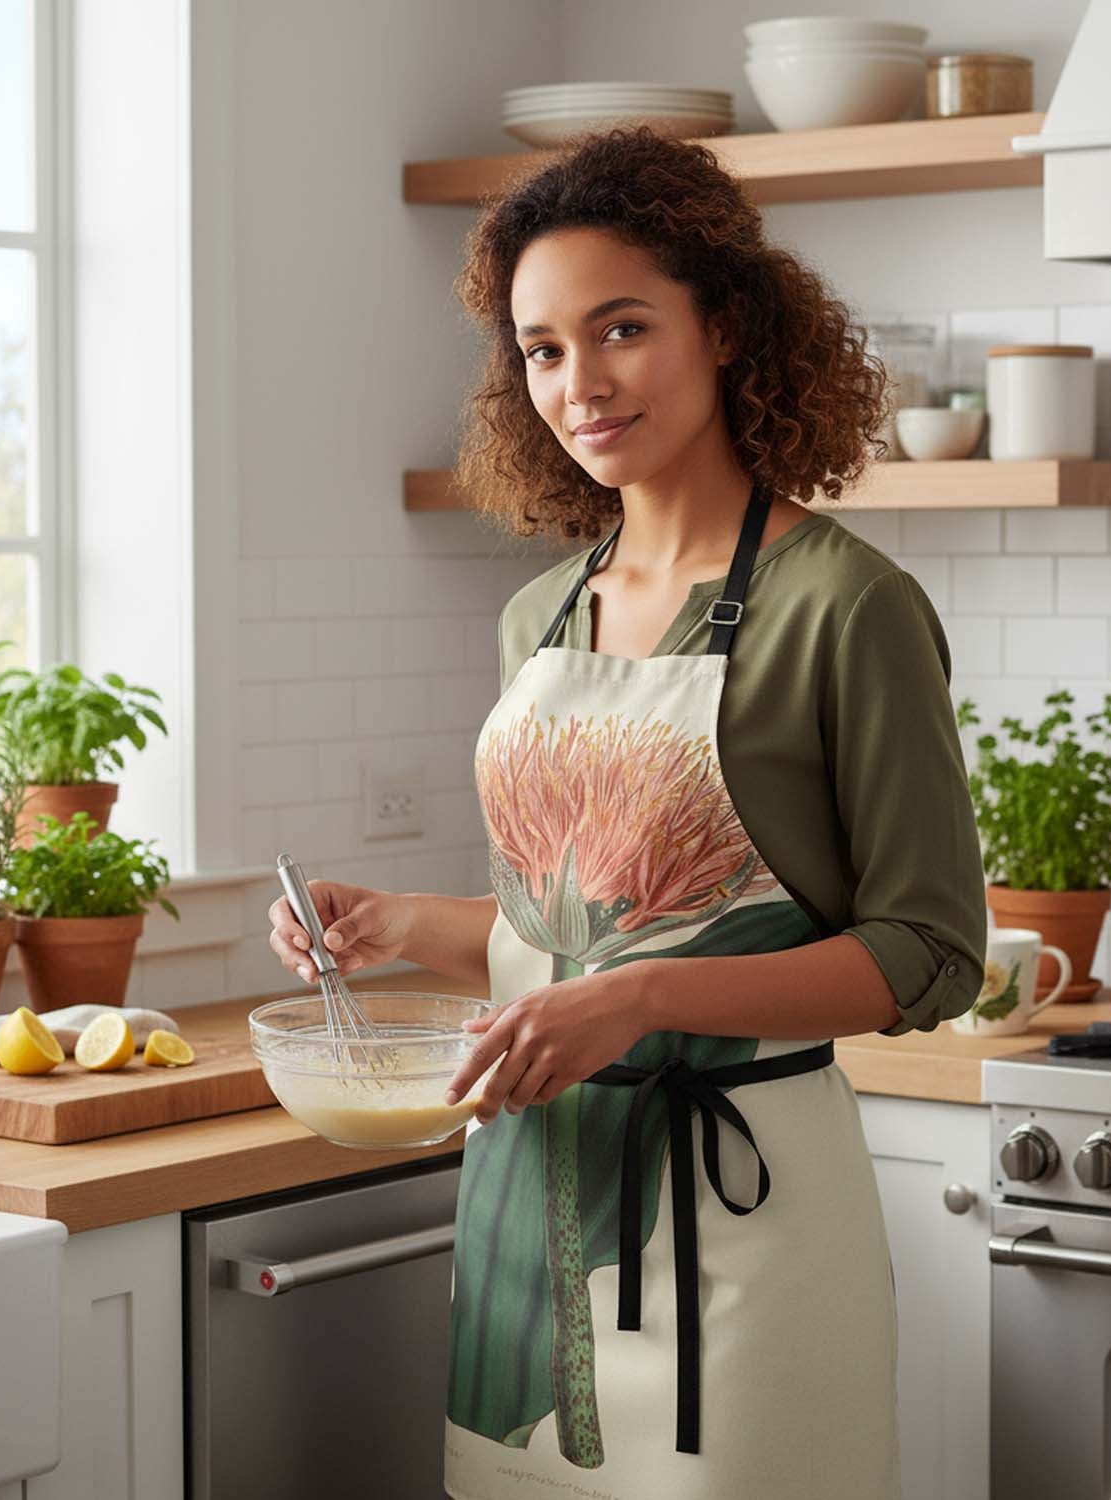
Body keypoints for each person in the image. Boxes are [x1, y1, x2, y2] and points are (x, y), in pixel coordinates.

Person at [267, 124, 987, 1500]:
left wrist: (647, 1002)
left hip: (742, 1223)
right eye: (541, 349)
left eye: (620, 329)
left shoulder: (848, 607)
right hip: (526, 1234)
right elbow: (567, 943)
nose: (579, 384)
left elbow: (932, 953)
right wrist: (396, 922)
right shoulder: (539, 617)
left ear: (724, 328)